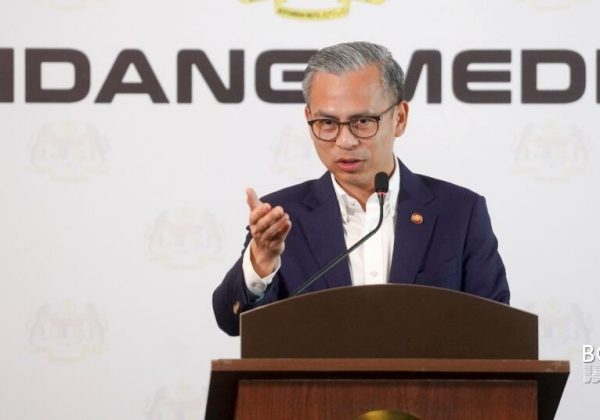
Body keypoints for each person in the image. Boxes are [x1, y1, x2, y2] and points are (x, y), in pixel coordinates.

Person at [212, 42, 510, 336]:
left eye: (363, 121)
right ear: (309, 119)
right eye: (327, 123)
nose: (345, 141)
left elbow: (496, 331)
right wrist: (261, 261)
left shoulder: (459, 212)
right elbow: (232, 322)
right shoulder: (283, 218)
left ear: (400, 118)